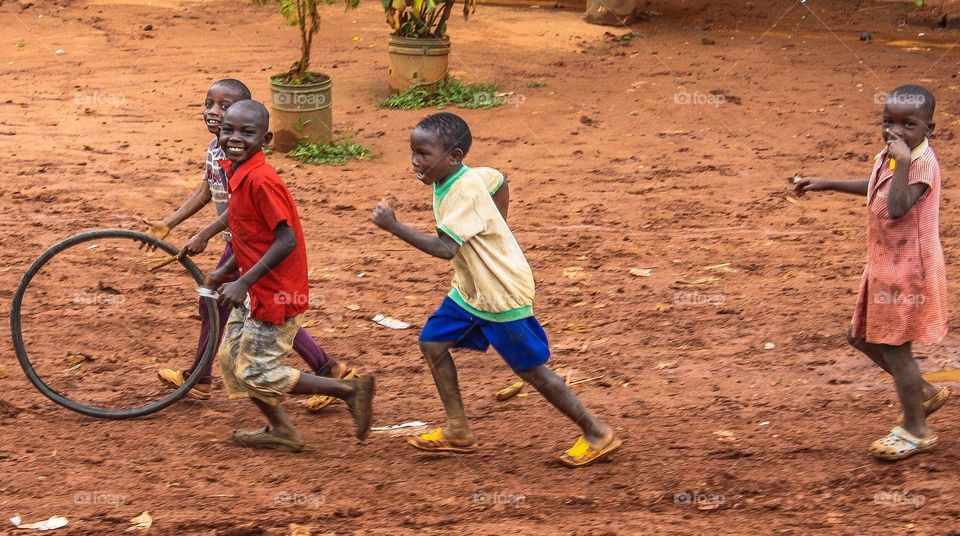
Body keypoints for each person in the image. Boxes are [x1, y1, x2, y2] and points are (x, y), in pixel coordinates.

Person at [370, 112, 620, 467]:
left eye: (424, 154)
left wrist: (393, 226)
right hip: (472, 290)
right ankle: (458, 429)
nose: (415, 161)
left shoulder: (464, 193)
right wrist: (499, 223)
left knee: (531, 370)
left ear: (454, 157)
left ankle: (596, 431)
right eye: (412, 152)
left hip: (500, 293)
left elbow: (445, 249)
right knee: (432, 344)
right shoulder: (467, 176)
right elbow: (499, 180)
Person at [142, 78, 355, 404]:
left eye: (224, 107)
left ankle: (204, 377)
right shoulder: (218, 151)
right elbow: (206, 193)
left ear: (260, 134)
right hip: (239, 241)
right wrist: (171, 223)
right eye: (209, 104)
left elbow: (250, 212)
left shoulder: (249, 165)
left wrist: (206, 235)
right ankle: (324, 368)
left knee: (258, 307)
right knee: (248, 306)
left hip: (251, 243)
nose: (214, 112)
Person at [206, 100, 374, 451]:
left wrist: (242, 281)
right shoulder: (237, 171)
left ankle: (348, 389)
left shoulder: (261, 180)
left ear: (265, 140)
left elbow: (286, 240)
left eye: (246, 132)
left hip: (275, 293)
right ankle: (281, 429)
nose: (235, 138)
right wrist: (225, 271)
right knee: (233, 360)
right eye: (228, 130)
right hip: (256, 290)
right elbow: (249, 233)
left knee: (256, 371)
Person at [794, 84, 949, 461]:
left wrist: (903, 162)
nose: (895, 131)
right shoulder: (896, 155)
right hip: (885, 265)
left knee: (896, 350)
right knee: (859, 336)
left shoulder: (920, 163)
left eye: (908, 124)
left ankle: (916, 431)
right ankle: (923, 392)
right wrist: (828, 184)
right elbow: (879, 189)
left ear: (929, 128)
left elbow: (897, 207)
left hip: (909, 271)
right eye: (888, 122)